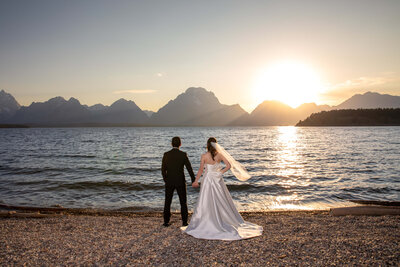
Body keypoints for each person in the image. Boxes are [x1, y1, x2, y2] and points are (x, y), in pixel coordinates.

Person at [182, 137, 263, 240]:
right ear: (216, 145)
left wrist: (196, 181)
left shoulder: (204, 156)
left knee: (206, 200)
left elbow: (201, 170)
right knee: (221, 199)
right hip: (217, 179)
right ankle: (223, 218)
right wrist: (220, 172)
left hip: (207, 179)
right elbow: (228, 165)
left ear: (207, 145)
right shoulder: (220, 155)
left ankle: (206, 220)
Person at [161, 136, 196, 227]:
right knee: (183, 202)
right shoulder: (183, 154)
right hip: (180, 181)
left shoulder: (166, 154)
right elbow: (189, 169)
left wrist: (166, 180)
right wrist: (193, 180)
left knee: (167, 202)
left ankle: (166, 222)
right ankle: (184, 222)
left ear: (171, 144)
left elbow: (163, 170)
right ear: (180, 144)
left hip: (169, 181)